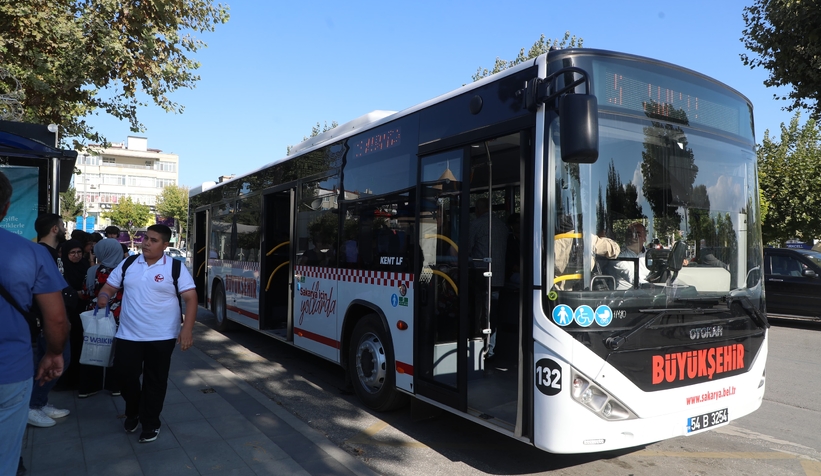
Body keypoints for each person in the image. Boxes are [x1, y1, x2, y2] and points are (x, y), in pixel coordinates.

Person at [95, 224, 198, 443]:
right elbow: (110, 287)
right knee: (123, 375)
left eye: (153, 240)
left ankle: (150, 422)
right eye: (145, 238)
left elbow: (190, 298)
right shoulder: (129, 263)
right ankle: (134, 411)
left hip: (162, 336)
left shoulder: (175, 268)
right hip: (128, 334)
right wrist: (104, 297)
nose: (147, 243)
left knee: (155, 381)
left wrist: (186, 329)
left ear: (165, 245)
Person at [0, 171, 69, 476]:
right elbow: (56, 317)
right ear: (5, 208)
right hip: (9, 371)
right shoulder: (29, 253)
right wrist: (54, 353)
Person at [27, 213, 73, 428]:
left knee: (54, 360)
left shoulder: (52, 253)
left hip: (54, 320)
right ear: (54, 229)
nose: (64, 229)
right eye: (62, 225)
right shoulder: (42, 253)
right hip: (47, 321)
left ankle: (39, 402)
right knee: (54, 360)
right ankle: (32, 407)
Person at [78, 238, 125, 398]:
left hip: (97, 315)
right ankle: (115, 386)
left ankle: (89, 387)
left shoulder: (93, 271)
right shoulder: (125, 271)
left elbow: (86, 294)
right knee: (117, 351)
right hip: (119, 315)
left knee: (94, 345)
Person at [467, 197, 507, 360]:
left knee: (478, 313)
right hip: (498, 278)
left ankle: (478, 348)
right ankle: (491, 348)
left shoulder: (476, 225)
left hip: (479, 276)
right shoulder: (502, 226)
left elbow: (466, 249)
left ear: (477, 209)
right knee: (493, 314)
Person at [553, 215, 620, 291]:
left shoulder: (548, 244)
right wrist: (602, 238)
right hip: (582, 291)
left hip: (556, 293)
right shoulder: (585, 238)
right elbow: (614, 250)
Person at [53, 240, 86, 391]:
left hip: (82, 311)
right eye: (72, 253)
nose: (76, 255)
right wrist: (74, 294)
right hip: (66, 311)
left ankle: (78, 379)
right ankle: (63, 380)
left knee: (79, 344)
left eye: (79, 252)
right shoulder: (61, 269)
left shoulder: (85, 266)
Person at [612, 222, 650, 290]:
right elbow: (631, 276)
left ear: (645, 238)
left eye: (637, 234)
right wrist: (648, 286)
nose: (633, 237)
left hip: (650, 296)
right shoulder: (618, 255)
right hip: (624, 297)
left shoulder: (651, 255)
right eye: (630, 234)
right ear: (626, 237)